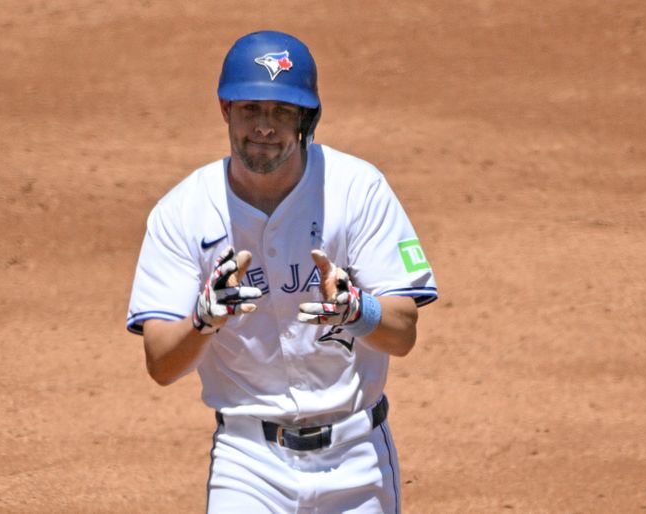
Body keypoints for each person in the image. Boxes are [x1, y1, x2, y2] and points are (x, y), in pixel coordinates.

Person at [127, 30, 438, 514]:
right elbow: (161, 364)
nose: (265, 127)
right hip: (248, 463)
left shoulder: (359, 190)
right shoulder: (182, 212)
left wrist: (359, 311)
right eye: (251, 109)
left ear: (305, 119)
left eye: (281, 112)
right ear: (226, 109)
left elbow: (403, 333)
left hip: (357, 459)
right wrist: (203, 321)